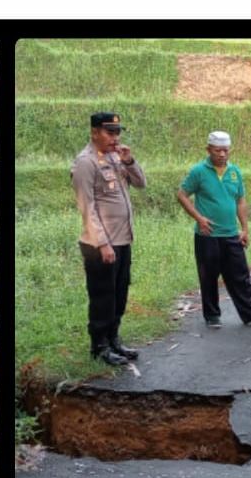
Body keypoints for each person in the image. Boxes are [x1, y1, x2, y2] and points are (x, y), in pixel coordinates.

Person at [176, 130, 251, 328]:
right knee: (208, 276)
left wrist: (245, 229)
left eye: (225, 150)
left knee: (241, 276)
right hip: (207, 235)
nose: (222, 154)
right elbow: (182, 195)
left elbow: (240, 201)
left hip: (231, 234)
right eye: (217, 150)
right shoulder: (199, 171)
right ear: (208, 150)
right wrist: (199, 218)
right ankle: (212, 316)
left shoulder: (234, 172)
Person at [71, 112, 147, 365]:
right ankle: (99, 346)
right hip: (100, 244)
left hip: (122, 239)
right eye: (109, 132)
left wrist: (129, 161)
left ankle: (114, 339)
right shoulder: (86, 162)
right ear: (94, 132)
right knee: (102, 296)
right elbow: (87, 207)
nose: (115, 137)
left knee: (119, 293)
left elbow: (141, 183)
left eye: (117, 132)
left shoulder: (117, 157)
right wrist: (102, 243)